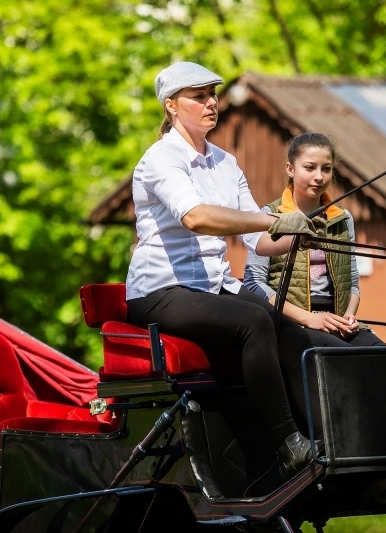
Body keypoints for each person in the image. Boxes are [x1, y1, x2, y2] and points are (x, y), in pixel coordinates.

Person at [125, 61, 324, 476]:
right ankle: (287, 443)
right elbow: (196, 217)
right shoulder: (161, 159)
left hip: (212, 287)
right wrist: (273, 220)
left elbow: (260, 242)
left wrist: (299, 230)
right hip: (160, 290)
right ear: (171, 107)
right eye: (198, 96)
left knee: (289, 329)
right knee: (254, 321)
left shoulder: (225, 162)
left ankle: (321, 434)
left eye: (212, 94)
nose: (211, 102)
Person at [243, 132, 385, 348]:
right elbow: (254, 284)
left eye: (326, 169)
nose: (319, 176)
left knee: (383, 355)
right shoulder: (270, 215)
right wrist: (308, 319)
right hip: (292, 325)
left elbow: (353, 282)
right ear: (290, 169)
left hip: (336, 322)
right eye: (310, 168)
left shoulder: (343, 219)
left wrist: (348, 318)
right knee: (343, 357)